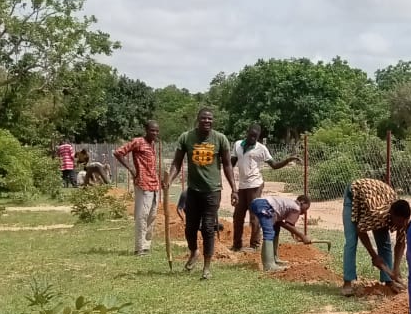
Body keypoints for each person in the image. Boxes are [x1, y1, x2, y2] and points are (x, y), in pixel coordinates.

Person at [170, 109, 235, 280]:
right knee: (190, 228)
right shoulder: (186, 137)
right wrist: (169, 179)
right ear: (198, 120)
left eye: (210, 118)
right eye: (203, 118)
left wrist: (234, 189)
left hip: (212, 191)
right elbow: (177, 162)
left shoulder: (220, 139)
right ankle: (194, 252)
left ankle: (207, 267)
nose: (207, 120)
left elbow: (228, 165)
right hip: (193, 191)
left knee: (207, 228)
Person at [230, 124, 299, 253]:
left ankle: (254, 244)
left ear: (258, 137)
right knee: (238, 215)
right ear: (247, 132)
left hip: (255, 185)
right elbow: (231, 164)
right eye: (251, 135)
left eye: (255, 137)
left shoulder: (261, 149)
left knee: (254, 215)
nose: (252, 138)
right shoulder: (238, 145)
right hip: (242, 186)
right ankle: (237, 245)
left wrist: (288, 160)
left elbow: (274, 165)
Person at [341, 178, 410, 296]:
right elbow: (360, 230)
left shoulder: (402, 219)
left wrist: (396, 268)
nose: (401, 225)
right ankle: (347, 282)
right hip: (354, 195)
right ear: (391, 215)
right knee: (351, 241)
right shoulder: (377, 214)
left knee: (385, 243)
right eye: (398, 222)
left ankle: (388, 281)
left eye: (404, 221)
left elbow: (400, 242)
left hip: (376, 196)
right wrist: (374, 256)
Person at [114, 122, 162, 256]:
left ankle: (146, 246)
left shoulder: (152, 145)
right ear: (146, 130)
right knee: (142, 216)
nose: (155, 134)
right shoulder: (138, 142)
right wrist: (130, 168)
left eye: (157, 131)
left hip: (154, 184)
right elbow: (118, 153)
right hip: (142, 183)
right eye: (152, 131)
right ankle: (139, 248)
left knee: (152, 216)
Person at [251, 195, 313, 272]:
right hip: (264, 205)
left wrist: (294, 232)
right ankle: (269, 265)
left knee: (275, 228)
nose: (304, 212)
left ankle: (274, 258)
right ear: (302, 202)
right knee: (269, 233)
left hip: (258, 202)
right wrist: (302, 235)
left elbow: (280, 222)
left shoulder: (290, 204)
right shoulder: (296, 207)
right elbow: (288, 224)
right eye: (306, 208)